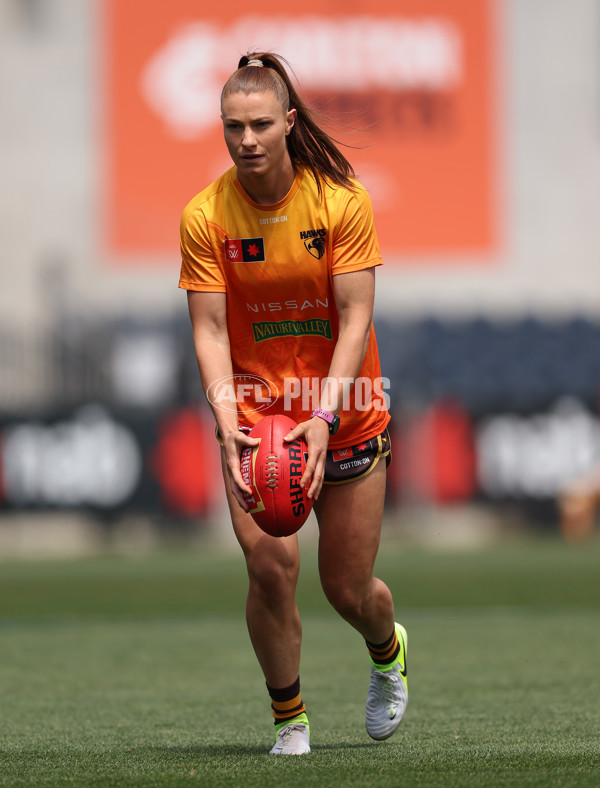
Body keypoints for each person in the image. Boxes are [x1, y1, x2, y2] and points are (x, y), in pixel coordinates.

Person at [179, 52, 407, 755]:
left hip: (343, 412)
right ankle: (290, 718)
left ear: (289, 123)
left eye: (259, 125)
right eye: (231, 127)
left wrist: (324, 416)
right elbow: (210, 329)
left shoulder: (341, 202)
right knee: (270, 567)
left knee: (348, 589)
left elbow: (355, 318)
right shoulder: (205, 215)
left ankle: (386, 647)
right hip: (255, 422)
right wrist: (226, 423)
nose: (245, 140)